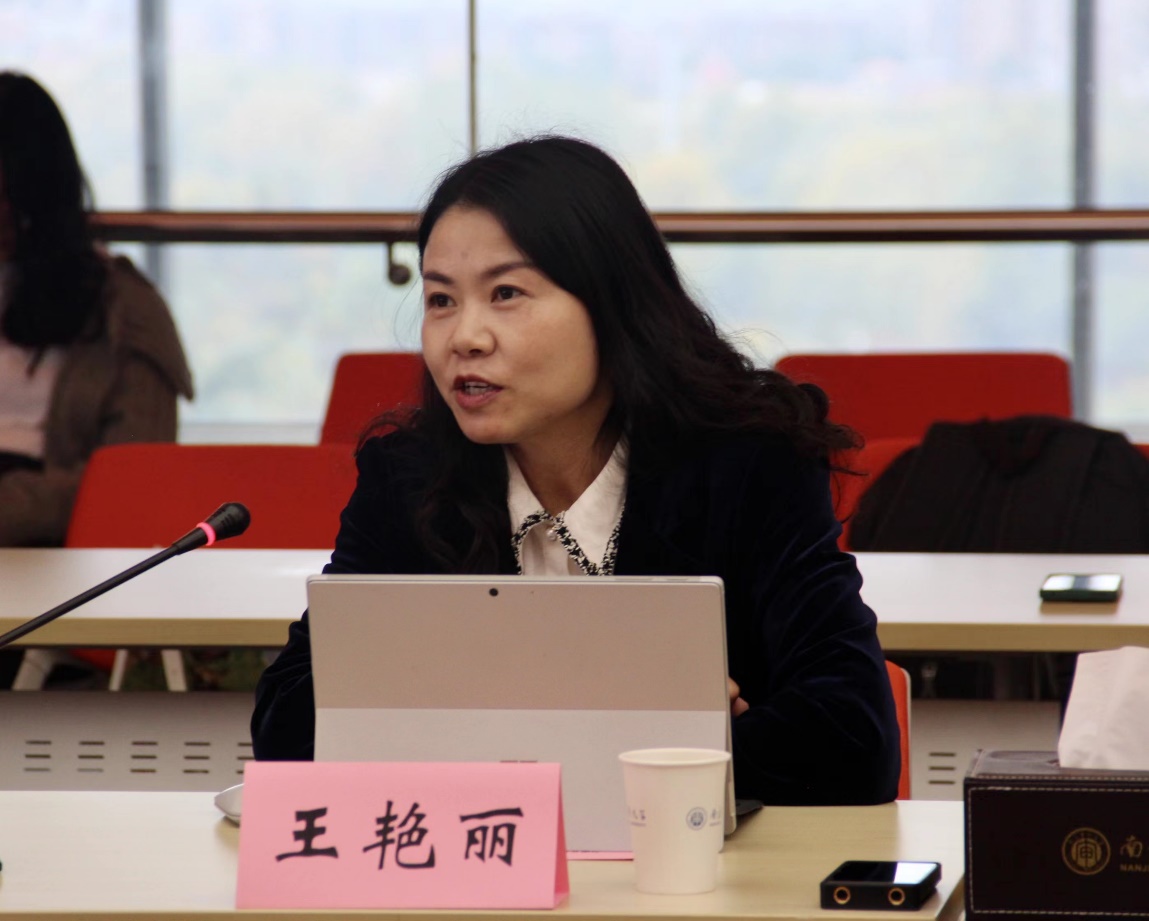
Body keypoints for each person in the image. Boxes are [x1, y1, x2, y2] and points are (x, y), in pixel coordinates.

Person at [252, 135, 900, 805]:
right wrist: (666, 732)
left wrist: (460, 729)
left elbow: (854, 742)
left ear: (612, 303)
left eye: (506, 293)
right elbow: (289, 728)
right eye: (441, 300)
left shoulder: (747, 467)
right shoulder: (409, 480)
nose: (464, 337)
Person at [0, 71, 194, 548]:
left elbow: (133, 480)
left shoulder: (124, 311)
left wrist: (17, 505)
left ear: (31, 189)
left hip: (54, 550)